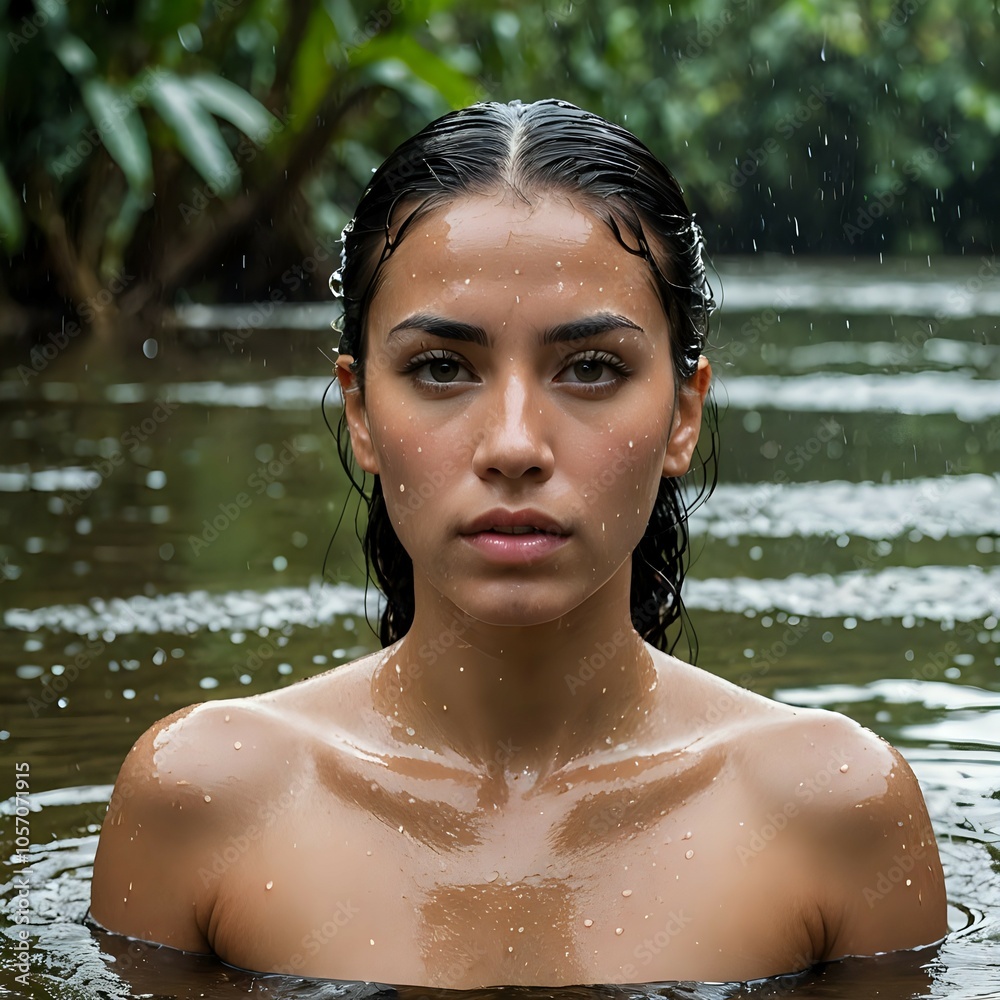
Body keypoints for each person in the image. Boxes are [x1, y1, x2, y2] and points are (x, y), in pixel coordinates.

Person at [89, 99, 947, 988]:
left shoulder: (834, 811)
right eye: (442, 368)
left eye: (590, 369)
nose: (513, 446)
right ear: (360, 414)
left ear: (683, 413)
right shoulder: (204, 799)